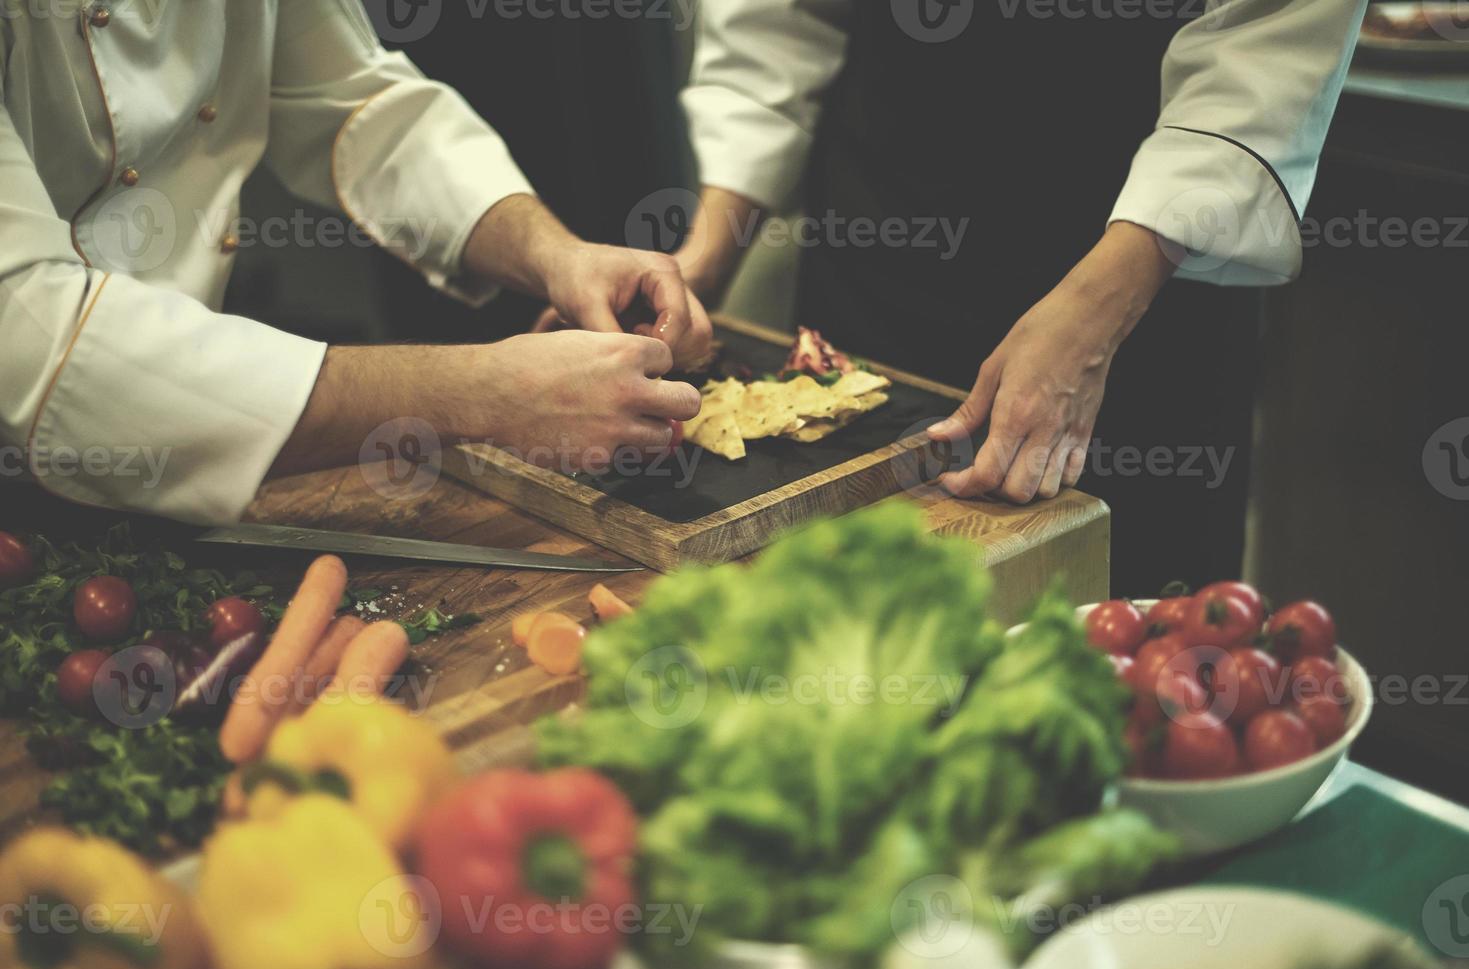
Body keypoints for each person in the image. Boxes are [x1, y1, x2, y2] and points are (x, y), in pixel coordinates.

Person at [673, 0, 1365, 593]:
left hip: (1142, 264)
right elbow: (780, 22)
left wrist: (1099, 313)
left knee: (1116, 670)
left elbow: (1265, 40)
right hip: (883, 226)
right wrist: (702, 262)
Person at [0, 0, 710, 526]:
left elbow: (359, 104)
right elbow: (34, 329)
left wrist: (557, 254)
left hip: (193, 450)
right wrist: (487, 391)